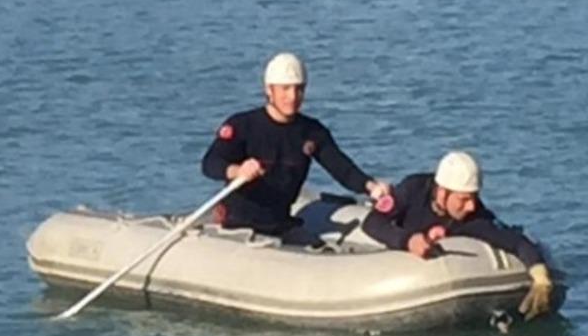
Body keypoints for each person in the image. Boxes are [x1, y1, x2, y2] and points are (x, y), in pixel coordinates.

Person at [201, 52, 390, 244]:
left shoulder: (311, 132)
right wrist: (237, 171)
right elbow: (210, 163)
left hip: (280, 224)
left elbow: (341, 168)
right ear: (269, 90)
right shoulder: (243, 126)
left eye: (298, 89)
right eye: (285, 89)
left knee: (318, 247)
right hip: (237, 224)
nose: (292, 97)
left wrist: (371, 186)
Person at [361, 150, 555, 320]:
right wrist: (408, 240)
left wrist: (540, 275)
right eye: (464, 199)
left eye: (474, 198)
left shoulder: (473, 217)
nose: (470, 206)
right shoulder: (413, 190)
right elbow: (372, 222)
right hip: (394, 263)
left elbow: (514, 240)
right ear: (443, 193)